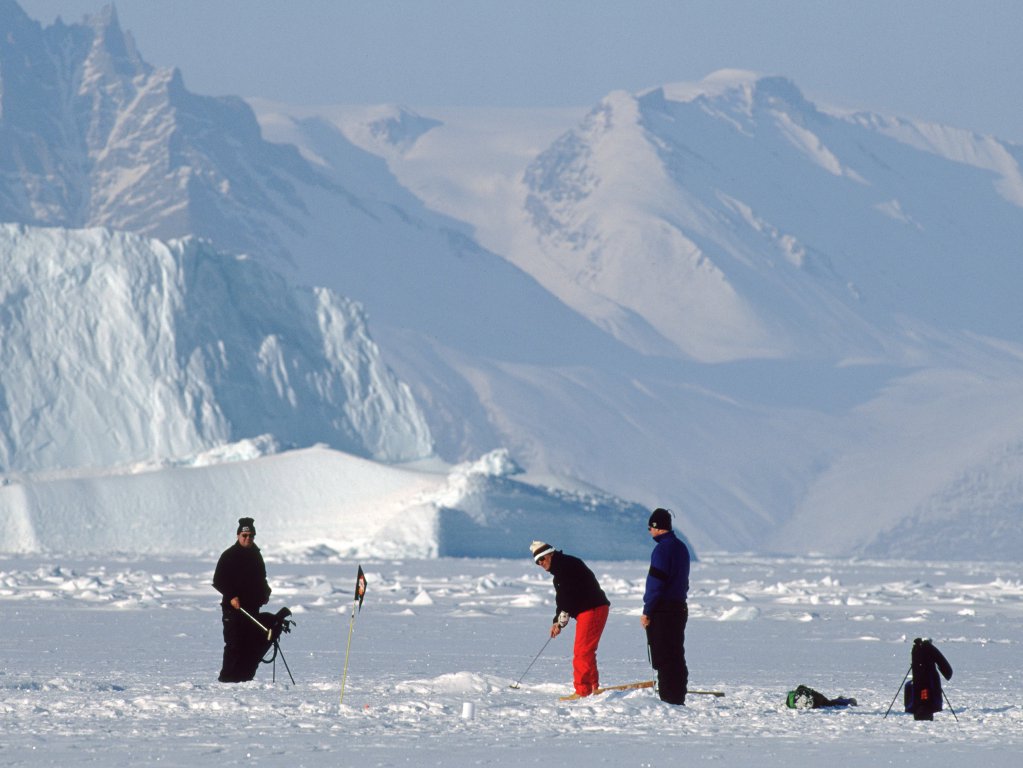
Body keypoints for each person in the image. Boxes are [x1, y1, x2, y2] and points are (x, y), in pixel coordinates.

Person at [530, 540, 611, 697]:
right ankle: (593, 688)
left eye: (542, 558)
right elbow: (562, 601)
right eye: (537, 562)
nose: (541, 563)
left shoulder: (568, 566)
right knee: (586, 651)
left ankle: (583, 690)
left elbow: (570, 593)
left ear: (551, 554)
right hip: (588, 611)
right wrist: (557, 622)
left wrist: (563, 616)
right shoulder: (559, 573)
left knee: (582, 651)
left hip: (593, 609)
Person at [213, 517, 272, 682]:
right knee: (234, 644)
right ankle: (227, 679)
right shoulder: (229, 555)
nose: (248, 539)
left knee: (249, 644)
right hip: (234, 609)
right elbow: (218, 580)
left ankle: (244, 679)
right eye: (244, 535)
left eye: (251, 536)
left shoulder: (256, 555)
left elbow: (261, 577)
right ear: (238, 535)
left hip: (252, 608)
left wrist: (265, 591)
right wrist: (231, 596)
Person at [641, 507, 690, 705]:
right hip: (679, 607)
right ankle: (677, 694)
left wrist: (647, 610)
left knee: (662, 655)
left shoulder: (662, 549)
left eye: (649, 528)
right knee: (676, 653)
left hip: (663, 610)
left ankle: (668, 698)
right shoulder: (681, 547)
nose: (649, 532)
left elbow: (656, 583)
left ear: (657, 527)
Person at [908, 637, 953, 720]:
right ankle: (925, 715)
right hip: (929, 683)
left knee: (920, 699)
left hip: (918, 684)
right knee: (927, 700)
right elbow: (946, 668)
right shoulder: (929, 648)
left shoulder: (915, 648)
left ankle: (919, 714)